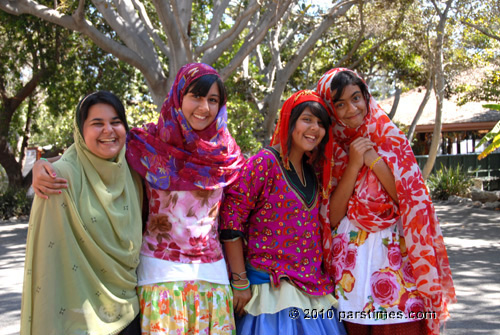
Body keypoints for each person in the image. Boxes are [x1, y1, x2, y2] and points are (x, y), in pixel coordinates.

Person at [30, 63, 245, 334]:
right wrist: (44, 166)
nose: (204, 107)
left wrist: (240, 280)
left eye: (213, 100)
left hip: (213, 279)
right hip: (159, 278)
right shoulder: (146, 144)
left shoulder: (228, 154)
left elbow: (236, 219)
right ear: (179, 96)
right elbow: (91, 153)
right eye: (196, 97)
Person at [316, 68, 456, 335]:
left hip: (396, 260)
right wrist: (354, 164)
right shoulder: (329, 150)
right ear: (330, 109)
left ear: (367, 96)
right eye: (340, 104)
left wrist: (375, 161)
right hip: (350, 266)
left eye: (356, 98)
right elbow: (331, 218)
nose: (351, 109)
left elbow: (413, 202)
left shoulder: (392, 139)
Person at [219, 90, 346, 335]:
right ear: (289, 120)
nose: (315, 128)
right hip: (271, 291)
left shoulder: (312, 172)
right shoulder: (264, 163)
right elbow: (231, 219)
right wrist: (240, 281)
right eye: (307, 119)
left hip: (311, 290)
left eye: (321, 123)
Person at [21, 91, 143, 335]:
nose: (108, 130)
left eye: (115, 122)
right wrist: (40, 166)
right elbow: (48, 260)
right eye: (97, 123)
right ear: (80, 130)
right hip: (80, 319)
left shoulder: (134, 168)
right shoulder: (58, 178)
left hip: (130, 310)